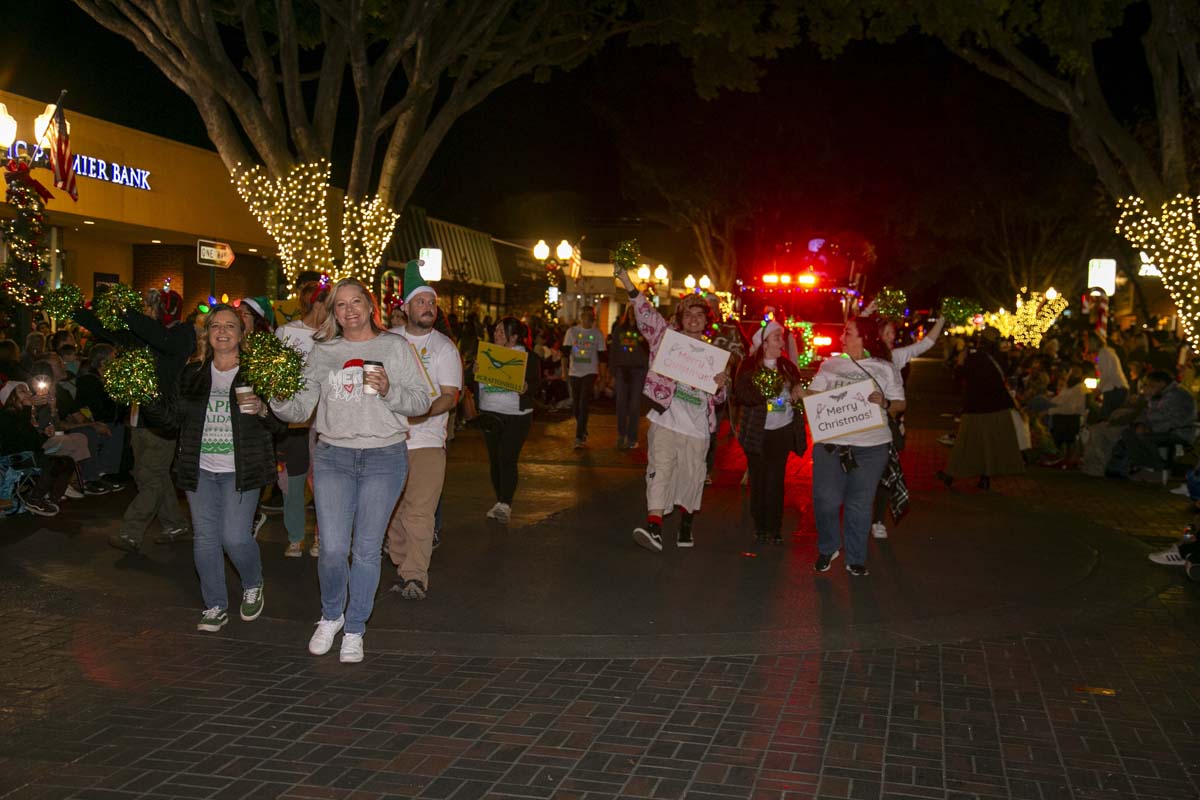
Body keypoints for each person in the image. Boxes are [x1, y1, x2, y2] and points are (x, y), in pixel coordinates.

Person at [270, 278, 432, 663]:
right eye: (340, 305)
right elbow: (300, 408)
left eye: (355, 301)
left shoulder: (394, 347)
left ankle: (355, 627)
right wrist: (277, 396)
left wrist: (389, 389)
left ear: (369, 305)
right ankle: (331, 616)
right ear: (333, 313)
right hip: (334, 457)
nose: (349, 310)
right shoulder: (323, 351)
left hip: (384, 457)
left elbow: (421, 401)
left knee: (365, 550)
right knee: (332, 549)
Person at [146, 305, 284, 632]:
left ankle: (253, 582)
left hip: (242, 470)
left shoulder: (258, 372)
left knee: (234, 537)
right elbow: (171, 421)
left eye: (230, 326)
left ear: (241, 333)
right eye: (216, 326)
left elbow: (280, 426)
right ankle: (215, 605)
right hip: (200, 470)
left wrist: (263, 410)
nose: (222, 331)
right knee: (205, 539)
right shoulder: (192, 373)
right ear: (207, 333)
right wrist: (146, 398)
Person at [615, 268, 729, 551]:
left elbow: (719, 400)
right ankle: (654, 527)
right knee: (659, 471)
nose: (694, 318)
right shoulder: (665, 340)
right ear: (680, 317)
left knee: (692, 479)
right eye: (688, 313)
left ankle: (686, 525)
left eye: (699, 314)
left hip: (697, 429)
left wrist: (721, 385)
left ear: (707, 321)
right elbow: (646, 314)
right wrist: (627, 281)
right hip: (665, 420)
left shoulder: (714, 357)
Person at [75, 288, 196, 552]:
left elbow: (160, 338)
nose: (147, 311)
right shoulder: (143, 333)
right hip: (138, 420)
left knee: (151, 477)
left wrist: (127, 312)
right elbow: (109, 331)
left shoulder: (182, 334)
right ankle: (175, 523)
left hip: (163, 422)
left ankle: (131, 532)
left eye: (151, 306)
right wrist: (77, 313)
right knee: (149, 476)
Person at [385, 261, 462, 600]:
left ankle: (415, 575)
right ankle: (402, 563)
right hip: (389, 440)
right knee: (394, 512)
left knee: (419, 511)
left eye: (432, 302)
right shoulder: (389, 342)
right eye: (421, 302)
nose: (429, 307)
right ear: (406, 308)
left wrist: (422, 413)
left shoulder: (444, 347)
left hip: (428, 441)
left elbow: (450, 395)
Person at [808, 317, 905, 576]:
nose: (842, 338)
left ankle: (856, 558)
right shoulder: (830, 365)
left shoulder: (885, 368)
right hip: (831, 444)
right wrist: (799, 393)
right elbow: (814, 396)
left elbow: (900, 404)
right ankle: (829, 546)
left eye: (848, 333)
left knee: (859, 504)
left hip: (871, 447)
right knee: (826, 500)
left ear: (864, 337)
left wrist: (884, 402)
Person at [733, 321, 808, 544]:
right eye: (776, 337)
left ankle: (774, 528)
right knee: (759, 481)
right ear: (764, 343)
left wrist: (797, 395)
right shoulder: (749, 366)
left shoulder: (787, 367)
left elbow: (796, 393)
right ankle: (760, 526)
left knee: (776, 481)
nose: (781, 341)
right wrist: (765, 393)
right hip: (757, 432)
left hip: (781, 432)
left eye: (781, 337)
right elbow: (742, 394)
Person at [275, 280, 330, 557]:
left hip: (324, 421)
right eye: (328, 305)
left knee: (323, 481)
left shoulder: (333, 336)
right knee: (292, 480)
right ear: (317, 304)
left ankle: (321, 537)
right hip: (294, 420)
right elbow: (275, 375)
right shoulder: (287, 332)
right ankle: (295, 537)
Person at [936, 328, 1024, 490]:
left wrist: (960, 362)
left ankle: (951, 475)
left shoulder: (975, 358)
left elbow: (960, 375)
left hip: (976, 407)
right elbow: (1008, 373)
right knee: (990, 444)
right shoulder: (1001, 357)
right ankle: (984, 478)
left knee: (966, 443)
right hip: (998, 407)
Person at [478, 317, 541, 523]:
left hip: (516, 416)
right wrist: (474, 371)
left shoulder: (528, 357)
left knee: (507, 457)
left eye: (501, 332)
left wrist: (526, 387)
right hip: (489, 413)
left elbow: (535, 384)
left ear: (514, 337)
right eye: (495, 330)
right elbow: (474, 381)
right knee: (495, 460)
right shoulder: (486, 353)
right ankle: (500, 502)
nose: (496, 334)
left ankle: (506, 503)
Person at [0, 380, 81, 516]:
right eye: (22, 391)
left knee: (67, 461)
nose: (28, 394)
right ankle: (34, 499)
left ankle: (52, 499)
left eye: (28, 391)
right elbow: (16, 441)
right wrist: (29, 408)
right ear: (11, 397)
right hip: (15, 458)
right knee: (52, 463)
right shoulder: (5, 415)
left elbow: (34, 443)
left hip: (30, 455)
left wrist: (44, 434)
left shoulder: (25, 416)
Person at [1107, 369, 1197, 481]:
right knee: (1128, 434)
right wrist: (1141, 424)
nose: (1147, 386)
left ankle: (1158, 466)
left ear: (1161, 383)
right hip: (1165, 429)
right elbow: (1148, 414)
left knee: (1142, 438)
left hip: (1179, 432)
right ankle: (1120, 468)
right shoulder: (1161, 394)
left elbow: (1165, 418)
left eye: (1150, 384)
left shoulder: (1177, 395)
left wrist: (1148, 428)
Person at [564, 306, 605, 448]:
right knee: (576, 405)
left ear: (593, 317)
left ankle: (579, 437)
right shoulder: (571, 332)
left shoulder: (598, 333)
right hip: (574, 372)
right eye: (585, 314)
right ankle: (583, 429)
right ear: (580, 316)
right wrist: (564, 371)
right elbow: (565, 353)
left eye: (590, 315)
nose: (587, 317)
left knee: (583, 403)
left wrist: (603, 377)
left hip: (590, 372)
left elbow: (603, 356)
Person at [609, 306, 649, 449]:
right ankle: (621, 434)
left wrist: (643, 340)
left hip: (638, 370)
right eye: (630, 311)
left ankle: (632, 437)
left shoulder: (644, 330)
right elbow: (613, 350)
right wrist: (612, 372)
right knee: (620, 404)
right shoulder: (619, 330)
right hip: (622, 369)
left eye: (635, 312)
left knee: (634, 405)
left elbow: (650, 350)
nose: (633, 314)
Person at [1090, 331, 1129, 420]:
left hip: (1115, 389)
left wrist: (1098, 389)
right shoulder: (1105, 353)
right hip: (1115, 388)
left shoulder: (1104, 353)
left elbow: (1106, 374)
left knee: (1108, 418)